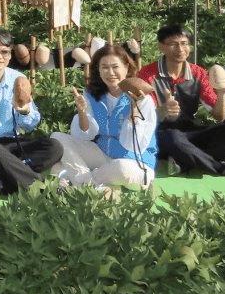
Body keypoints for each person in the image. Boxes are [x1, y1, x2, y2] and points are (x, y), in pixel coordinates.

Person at [139, 25, 225, 177]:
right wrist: (163, 110)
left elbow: (219, 116)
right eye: (173, 44)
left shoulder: (198, 73)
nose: (180, 49)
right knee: (171, 137)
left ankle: (183, 160)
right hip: (161, 132)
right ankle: (223, 168)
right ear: (162, 47)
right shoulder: (148, 73)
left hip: (189, 131)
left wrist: (222, 94)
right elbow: (144, 117)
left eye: (185, 43)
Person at [0, 28, 63, 194]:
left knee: (54, 147)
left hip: (12, 143)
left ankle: (2, 182)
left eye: (4, 52)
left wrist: (25, 111)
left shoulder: (18, 79)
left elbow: (31, 125)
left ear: (9, 56)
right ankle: (40, 187)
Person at [50, 45, 158, 190]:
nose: (110, 72)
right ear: (98, 70)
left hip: (135, 163)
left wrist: (134, 110)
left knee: (120, 168)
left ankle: (78, 181)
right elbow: (86, 135)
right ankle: (96, 183)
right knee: (57, 138)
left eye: (115, 67)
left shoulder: (143, 99)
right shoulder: (92, 94)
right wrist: (82, 112)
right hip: (103, 156)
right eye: (105, 67)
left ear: (126, 68)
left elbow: (132, 145)